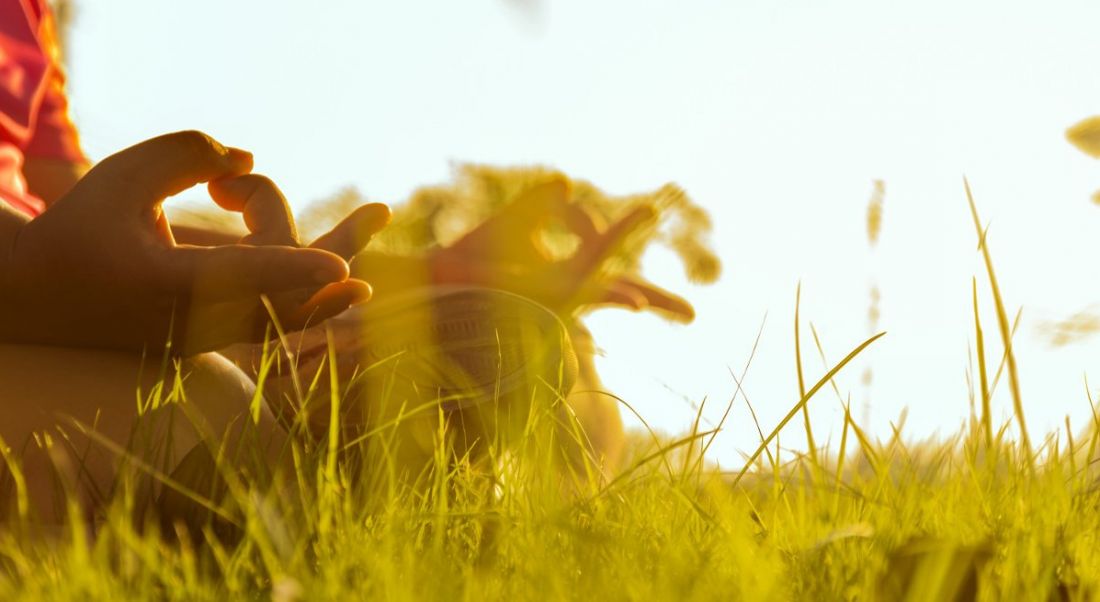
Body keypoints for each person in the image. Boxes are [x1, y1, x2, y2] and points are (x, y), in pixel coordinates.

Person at [0, 0, 696, 525]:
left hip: (55, 308)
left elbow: (81, 222)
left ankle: (320, 446)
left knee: (539, 340)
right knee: (213, 417)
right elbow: (48, 257)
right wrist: (26, 277)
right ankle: (299, 457)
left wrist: (432, 273)